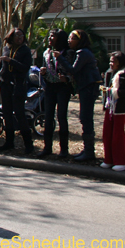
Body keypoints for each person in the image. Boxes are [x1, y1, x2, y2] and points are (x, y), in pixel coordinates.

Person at [54, 29, 102, 162]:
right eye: (69, 38)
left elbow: (73, 69)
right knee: (84, 118)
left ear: (80, 40)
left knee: (86, 118)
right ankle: (87, 150)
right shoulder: (82, 52)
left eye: (72, 38)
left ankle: (89, 152)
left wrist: (60, 58)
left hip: (88, 87)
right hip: (85, 87)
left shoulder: (83, 53)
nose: (69, 41)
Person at [0, 28, 34, 154]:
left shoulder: (25, 50)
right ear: (11, 37)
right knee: (7, 113)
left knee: (19, 114)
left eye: (22, 35)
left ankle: (28, 144)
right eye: (17, 35)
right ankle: (9, 142)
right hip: (5, 85)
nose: (20, 38)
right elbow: (1, 66)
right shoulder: (6, 48)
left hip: (18, 85)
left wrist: (11, 61)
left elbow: (25, 68)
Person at [100, 51, 125, 171]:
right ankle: (109, 159)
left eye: (114, 61)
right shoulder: (109, 73)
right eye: (110, 61)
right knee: (107, 133)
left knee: (117, 134)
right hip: (110, 107)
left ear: (120, 62)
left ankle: (122, 161)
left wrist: (112, 92)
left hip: (121, 108)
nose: (111, 64)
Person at [38, 29, 72, 158]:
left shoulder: (67, 52)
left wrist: (67, 79)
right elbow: (45, 68)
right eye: (50, 36)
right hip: (50, 87)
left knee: (61, 117)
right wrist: (43, 71)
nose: (50, 39)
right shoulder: (46, 52)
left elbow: (72, 70)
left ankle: (64, 150)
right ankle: (47, 148)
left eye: (53, 36)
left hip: (63, 87)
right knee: (48, 117)